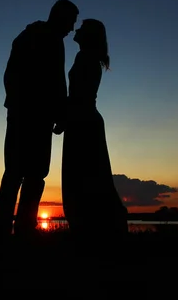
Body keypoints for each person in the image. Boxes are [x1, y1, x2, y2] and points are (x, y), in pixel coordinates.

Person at [0, 0, 79, 237]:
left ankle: (16, 228)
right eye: (71, 22)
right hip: (30, 117)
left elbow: (56, 83)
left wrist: (58, 114)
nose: (72, 29)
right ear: (59, 17)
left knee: (26, 175)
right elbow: (17, 77)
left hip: (32, 117)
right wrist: (51, 112)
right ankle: (14, 229)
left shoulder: (31, 37)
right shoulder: (35, 38)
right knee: (22, 174)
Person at [61, 19, 128, 239]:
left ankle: (92, 233)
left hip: (82, 122)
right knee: (92, 178)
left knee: (81, 179)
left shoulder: (84, 57)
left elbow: (79, 95)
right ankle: (104, 232)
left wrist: (64, 118)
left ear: (88, 35)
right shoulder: (89, 57)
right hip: (85, 120)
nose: (76, 30)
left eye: (81, 28)